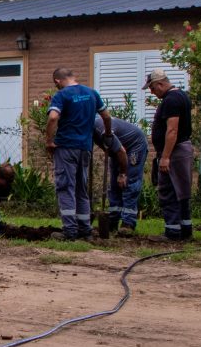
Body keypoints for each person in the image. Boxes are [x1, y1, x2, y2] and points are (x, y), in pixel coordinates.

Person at [45, 67, 111, 241]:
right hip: (85, 148)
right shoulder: (92, 93)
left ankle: (70, 231)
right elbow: (106, 117)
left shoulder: (62, 95)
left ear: (57, 81)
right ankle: (85, 230)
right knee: (81, 189)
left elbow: (53, 118)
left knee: (66, 187)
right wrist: (109, 135)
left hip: (66, 147)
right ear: (73, 77)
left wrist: (49, 141)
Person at [144, 69, 193, 241]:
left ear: (160, 84)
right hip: (181, 149)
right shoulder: (182, 95)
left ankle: (172, 232)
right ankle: (185, 229)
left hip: (175, 151)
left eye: (152, 88)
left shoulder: (171, 100)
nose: (152, 92)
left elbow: (172, 130)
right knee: (182, 191)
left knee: (168, 190)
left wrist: (165, 157)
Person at [92, 113, 148, 235]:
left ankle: (128, 224)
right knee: (114, 185)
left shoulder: (100, 128)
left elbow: (121, 151)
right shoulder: (88, 127)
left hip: (134, 146)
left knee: (128, 183)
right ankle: (112, 221)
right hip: (117, 151)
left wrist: (123, 173)